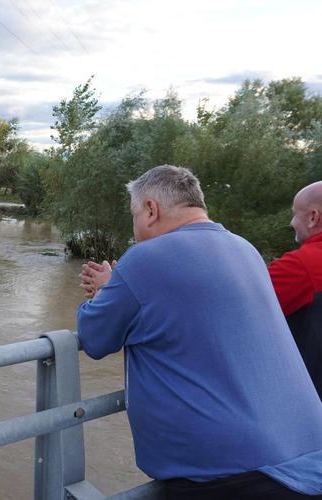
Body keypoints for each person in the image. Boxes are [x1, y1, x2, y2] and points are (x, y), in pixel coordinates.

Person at [77, 165, 322, 499]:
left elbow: (94, 338)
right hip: (309, 459)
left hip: (235, 476)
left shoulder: (144, 258)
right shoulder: (245, 249)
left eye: (134, 216)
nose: (135, 230)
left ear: (151, 210)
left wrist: (107, 291)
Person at [268, 181, 322, 399]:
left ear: (313, 217)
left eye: (294, 214)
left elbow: (239, 311)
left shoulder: (301, 266)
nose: (291, 223)